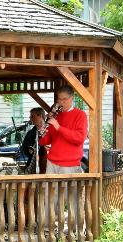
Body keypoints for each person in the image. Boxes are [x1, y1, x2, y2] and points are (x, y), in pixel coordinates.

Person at [38, 85, 88, 231]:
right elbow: (45, 141)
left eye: (65, 99)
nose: (61, 102)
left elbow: (79, 138)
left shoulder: (80, 115)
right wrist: (43, 128)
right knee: (50, 195)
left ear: (72, 98)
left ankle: (75, 228)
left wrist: (59, 127)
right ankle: (48, 227)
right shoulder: (55, 116)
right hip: (52, 161)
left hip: (70, 163)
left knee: (71, 198)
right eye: (59, 99)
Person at [21, 107, 47, 174]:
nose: (30, 118)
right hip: (33, 164)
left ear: (40, 116)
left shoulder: (49, 129)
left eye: (32, 116)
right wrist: (29, 150)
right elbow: (24, 147)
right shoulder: (30, 133)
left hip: (48, 165)